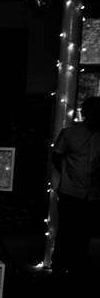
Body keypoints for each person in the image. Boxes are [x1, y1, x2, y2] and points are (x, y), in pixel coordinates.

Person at [50, 96, 100, 280]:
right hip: (71, 191)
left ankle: (76, 268)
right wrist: (67, 174)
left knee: (83, 234)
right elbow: (57, 156)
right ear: (86, 113)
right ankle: (59, 268)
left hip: (92, 193)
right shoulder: (70, 134)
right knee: (66, 232)